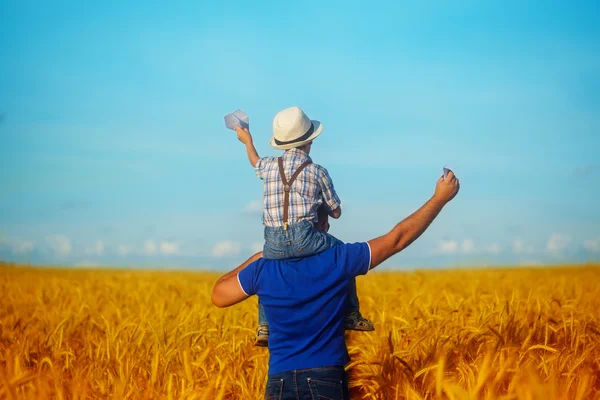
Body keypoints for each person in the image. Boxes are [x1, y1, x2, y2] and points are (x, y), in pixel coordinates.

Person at [211, 171, 460, 399]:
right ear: (317, 226)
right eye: (325, 224)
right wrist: (439, 199)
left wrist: (262, 255)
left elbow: (219, 294)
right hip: (324, 380)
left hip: (278, 383)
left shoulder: (264, 269)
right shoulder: (338, 258)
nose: (328, 229)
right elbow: (397, 239)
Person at [235, 106, 373, 345]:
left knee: (267, 268)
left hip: (273, 241)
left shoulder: (269, 166)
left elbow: (254, 161)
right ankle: (350, 313)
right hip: (306, 237)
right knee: (343, 254)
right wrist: (326, 207)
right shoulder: (317, 171)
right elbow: (336, 211)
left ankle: (264, 326)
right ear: (309, 141)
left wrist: (247, 140)